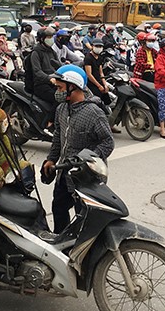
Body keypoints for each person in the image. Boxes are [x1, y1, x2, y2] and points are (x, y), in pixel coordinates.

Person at [41, 65, 114, 233]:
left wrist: (87, 159)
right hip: (64, 173)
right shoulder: (61, 109)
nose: (57, 92)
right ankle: (62, 248)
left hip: (85, 178)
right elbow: (58, 137)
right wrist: (51, 159)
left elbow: (107, 142)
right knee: (58, 209)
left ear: (73, 87)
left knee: (84, 217)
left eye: (60, 87)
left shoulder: (94, 112)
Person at [29, 28, 62, 105]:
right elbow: (37, 71)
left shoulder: (52, 52)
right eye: (49, 37)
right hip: (41, 84)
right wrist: (49, 78)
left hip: (53, 83)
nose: (51, 39)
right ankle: (50, 117)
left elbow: (58, 66)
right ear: (42, 39)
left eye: (51, 37)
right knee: (57, 99)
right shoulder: (36, 52)